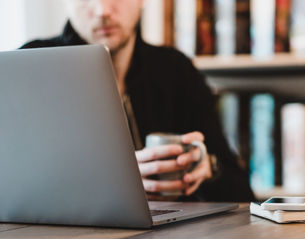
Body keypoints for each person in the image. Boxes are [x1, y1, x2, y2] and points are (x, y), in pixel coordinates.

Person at [21, 0, 254, 202]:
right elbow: (17, 187)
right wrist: (113, 182)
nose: (102, 10)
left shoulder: (175, 70)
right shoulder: (28, 66)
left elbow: (242, 192)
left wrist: (207, 169)